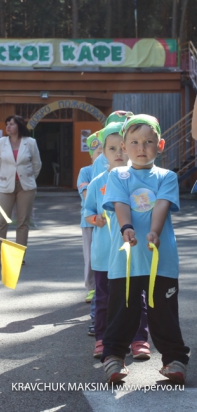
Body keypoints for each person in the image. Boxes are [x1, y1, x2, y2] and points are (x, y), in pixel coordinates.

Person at [101, 114, 190, 384]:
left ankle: (174, 360)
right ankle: (114, 358)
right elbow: (120, 204)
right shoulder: (117, 175)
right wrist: (126, 227)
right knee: (122, 312)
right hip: (125, 261)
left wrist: (155, 231)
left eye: (149, 142)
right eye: (135, 142)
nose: (141, 148)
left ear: (160, 145)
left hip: (161, 260)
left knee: (164, 314)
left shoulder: (167, 176)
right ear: (124, 147)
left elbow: (162, 204)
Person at [84, 122, 149, 361]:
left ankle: (139, 339)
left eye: (121, 148)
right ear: (103, 152)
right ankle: (102, 338)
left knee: (137, 297)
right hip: (105, 254)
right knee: (104, 298)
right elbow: (87, 212)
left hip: (133, 252)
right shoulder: (97, 182)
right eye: (111, 149)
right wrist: (95, 219)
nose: (118, 154)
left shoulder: (138, 178)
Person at [0, 115, 41, 265]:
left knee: (23, 222)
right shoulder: (0, 143)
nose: (8, 127)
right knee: (1, 220)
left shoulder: (30, 142)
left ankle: (19, 256)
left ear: (19, 125)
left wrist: (28, 178)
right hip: (5, 186)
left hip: (26, 187)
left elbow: (37, 164)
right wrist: (6, 177)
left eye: (11, 124)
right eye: (7, 124)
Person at [78, 131, 100, 337]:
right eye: (97, 151)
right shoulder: (86, 171)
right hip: (90, 220)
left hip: (109, 221)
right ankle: (91, 286)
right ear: (91, 154)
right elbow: (87, 195)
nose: (101, 154)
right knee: (91, 255)